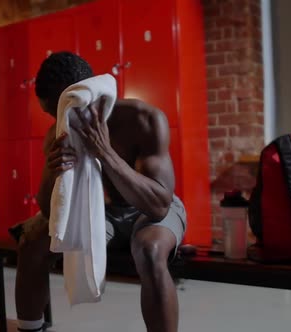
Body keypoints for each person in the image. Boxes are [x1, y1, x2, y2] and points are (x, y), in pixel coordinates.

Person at [14, 51, 187, 332]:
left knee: (150, 250)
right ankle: (29, 329)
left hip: (148, 209)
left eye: (65, 108)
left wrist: (105, 153)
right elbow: (49, 210)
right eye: (53, 113)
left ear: (86, 94)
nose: (60, 119)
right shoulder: (58, 132)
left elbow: (159, 205)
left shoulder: (144, 119)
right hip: (101, 211)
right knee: (32, 239)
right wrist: (53, 169)